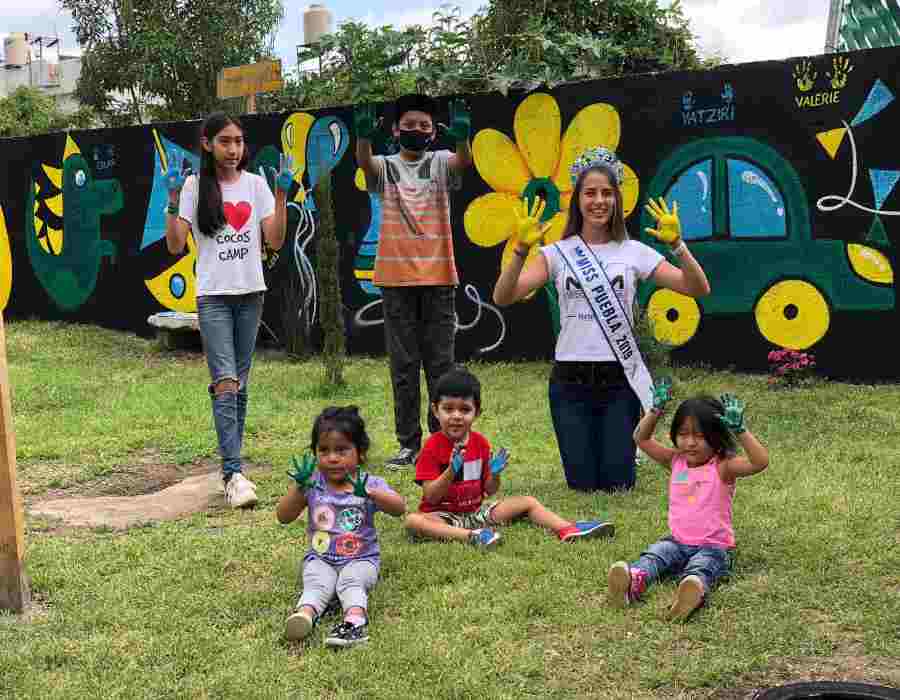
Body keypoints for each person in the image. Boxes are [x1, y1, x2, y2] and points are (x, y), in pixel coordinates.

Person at [492, 146, 712, 492]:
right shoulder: (557, 253)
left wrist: (679, 245)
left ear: (617, 200)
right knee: (581, 483)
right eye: (590, 193)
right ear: (577, 200)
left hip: (617, 378)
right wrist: (520, 250)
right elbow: (504, 296)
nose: (599, 201)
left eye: (607, 193)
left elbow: (697, 288)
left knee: (617, 483)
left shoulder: (634, 251)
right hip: (570, 378)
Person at [164, 112, 292, 508]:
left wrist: (282, 194)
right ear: (207, 144)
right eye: (225, 141)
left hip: (252, 293)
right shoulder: (192, 186)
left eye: (238, 141)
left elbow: (274, 239)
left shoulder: (255, 186)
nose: (234, 149)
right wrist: (170, 200)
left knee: (241, 381)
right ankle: (233, 473)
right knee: (225, 381)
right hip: (214, 297)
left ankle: (234, 469)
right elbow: (173, 245)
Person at [354, 94, 474, 470]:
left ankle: (442, 442)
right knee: (403, 366)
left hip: (439, 278)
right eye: (409, 125)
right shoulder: (386, 167)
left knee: (441, 364)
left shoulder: (441, 162)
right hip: (395, 281)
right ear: (395, 129)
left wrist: (463, 138)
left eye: (424, 125)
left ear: (434, 132)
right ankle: (409, 444)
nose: (416, 130)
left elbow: (463, 162)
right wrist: (361, 138)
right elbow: (365, 163)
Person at [607, 380, 769, 620]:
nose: (690, 442)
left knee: (701, 567)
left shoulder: (723, 466)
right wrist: (655, 411)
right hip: (676, 540)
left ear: (716, 437)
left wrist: (741, 430)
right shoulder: (675, 461)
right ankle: (633, 579)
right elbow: (640, 439)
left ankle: (693, 590)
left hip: (713, 546)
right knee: (655, 556)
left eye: (700, 436)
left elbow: (760, 462)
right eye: (683, 434)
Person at [405, 367, 614, 546]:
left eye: (465, 409)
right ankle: (471, 538)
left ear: (477, 412)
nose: (456, 416)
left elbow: (489, 490)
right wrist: (451, 471)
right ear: (435, 410)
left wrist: (494, 475)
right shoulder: (431, 447)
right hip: (443, 517)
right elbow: (431, 496)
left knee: (528, 502)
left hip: (477, 514)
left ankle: (567, 529)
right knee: (414, 521)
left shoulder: (480, 443)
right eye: (448, 409)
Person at [277, 406, 406, 647]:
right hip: (321, 557)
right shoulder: (313, 484)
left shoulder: (369, 483)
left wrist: (370, 493)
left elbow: (399, 508)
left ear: (361, 453)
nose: (332, 458)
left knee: (350, 581)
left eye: (342, 450)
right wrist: (298, 487)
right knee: (316, 582)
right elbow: (283, 516)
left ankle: (354, 623)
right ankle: (305, 615)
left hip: (361, 559)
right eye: (323, 450)